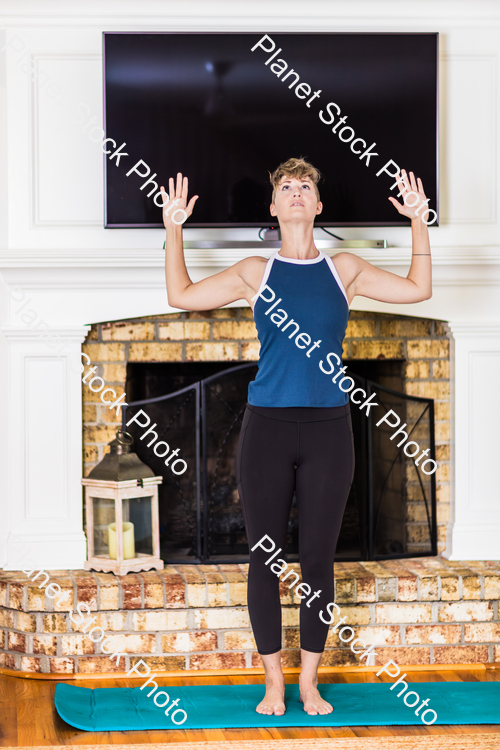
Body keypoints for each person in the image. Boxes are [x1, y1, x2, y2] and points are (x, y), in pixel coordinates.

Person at [161, 158, 432, 718]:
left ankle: (309, 682)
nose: (296, 192)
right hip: (268, 430)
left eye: (306, 185)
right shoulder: (255, 271)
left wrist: (418, 221)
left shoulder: (346, 270)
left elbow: (419, 288)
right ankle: (274, 684)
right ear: (273, 206)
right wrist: (173, 230)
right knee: (265, 560)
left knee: (316, 562)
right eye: (285, 186)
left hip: (331, 430)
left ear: (318, 204)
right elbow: (180, 296)